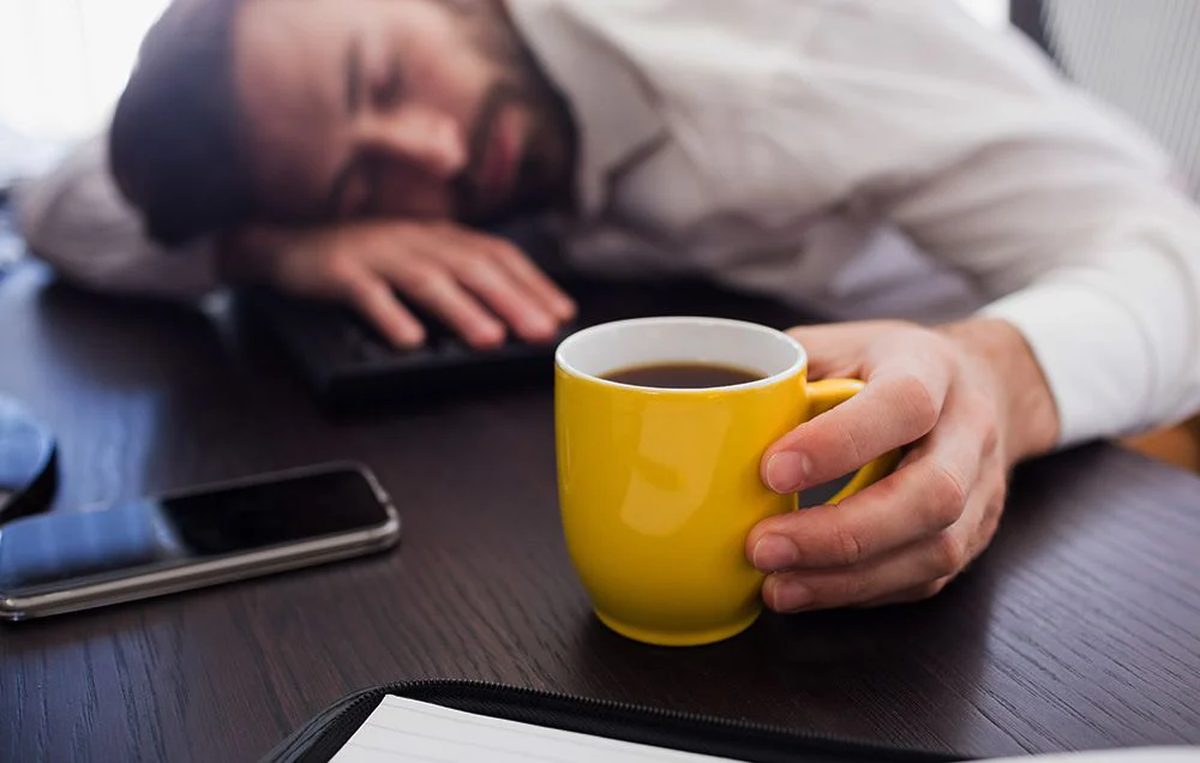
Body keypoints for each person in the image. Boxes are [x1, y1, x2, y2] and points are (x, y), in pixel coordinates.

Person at [13, 0, 1200, 614]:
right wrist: (282, 241)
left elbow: (1174, 251)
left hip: (1045, 476)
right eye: (365, 178)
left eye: (380, 80)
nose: (431, 152)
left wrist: (1000, 372)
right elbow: (55, 197)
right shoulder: (375, 165)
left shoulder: (790, 42)